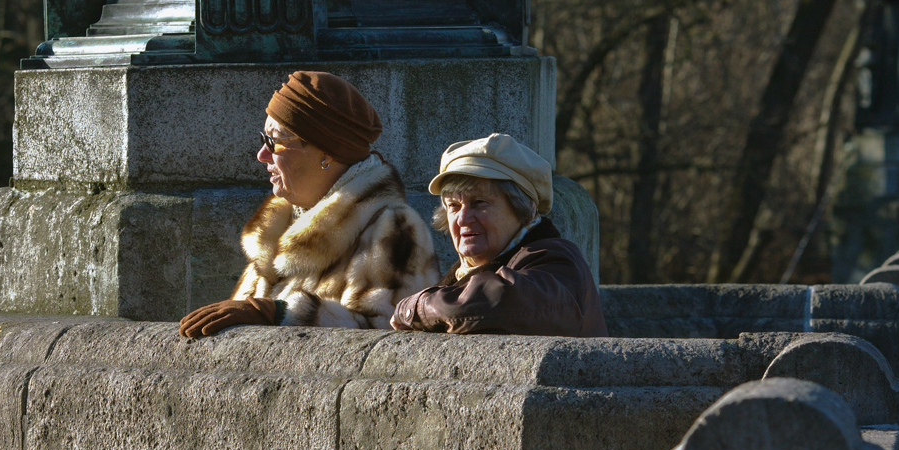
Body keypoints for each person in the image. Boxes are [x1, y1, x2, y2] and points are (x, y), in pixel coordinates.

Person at [180, 71, 440, 337]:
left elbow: (394, 339)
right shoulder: (279, 228)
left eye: (275, 141)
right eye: (263, 139)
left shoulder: (391, 226)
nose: (262, 155)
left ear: (326, 153)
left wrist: (280, 314)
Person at [390, 133, 608, 337]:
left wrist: (415, 308)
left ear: (526, 209)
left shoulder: (557, 260)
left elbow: (503, 301)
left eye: (480, 203)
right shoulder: (460, 276)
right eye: (454, 206)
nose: (463, 219)